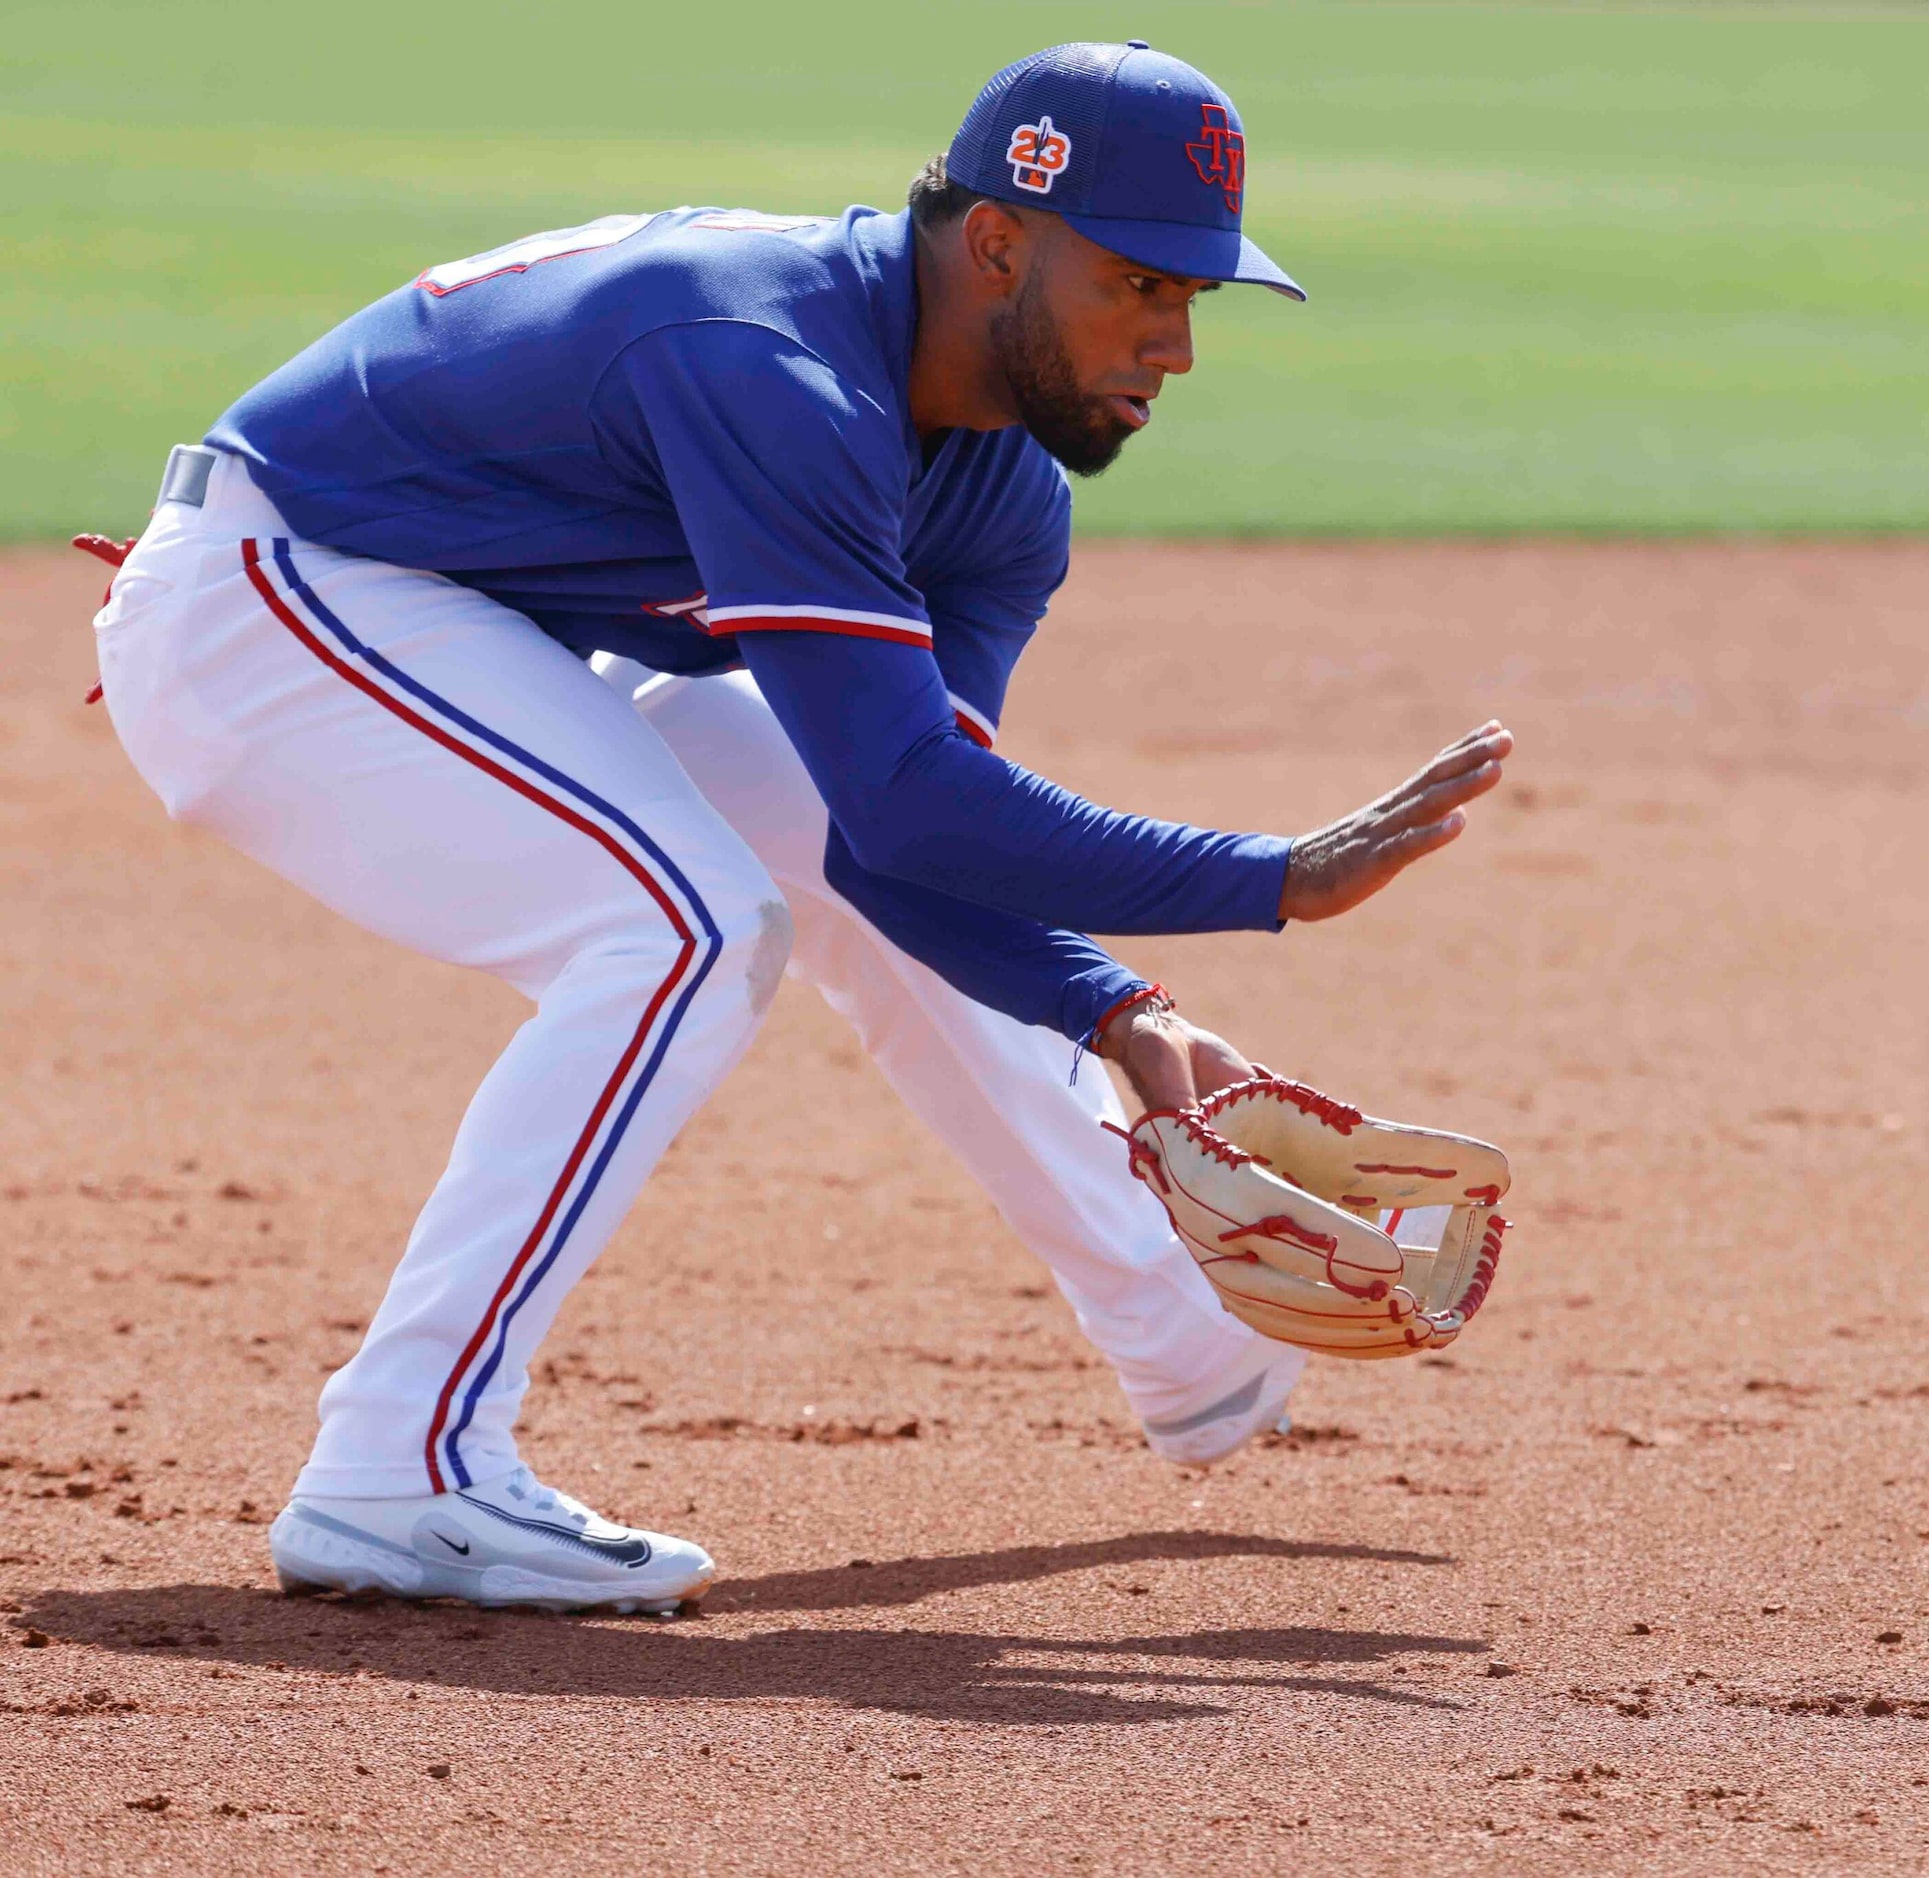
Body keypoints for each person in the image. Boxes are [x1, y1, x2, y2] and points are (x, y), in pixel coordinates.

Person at [80, 40, 1510, 1614]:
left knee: (790, 837)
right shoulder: (768, 361)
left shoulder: (1000, 494)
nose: (1172, 342)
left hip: (450, 632)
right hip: (271, 605)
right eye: (1137, 286)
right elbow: (915, 802)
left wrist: (1127, 1016)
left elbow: (906, 837)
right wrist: (1275, 880)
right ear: (994, 246)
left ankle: (1186, 1331)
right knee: (683, 927)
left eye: (1194, 299)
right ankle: (400, 1460)